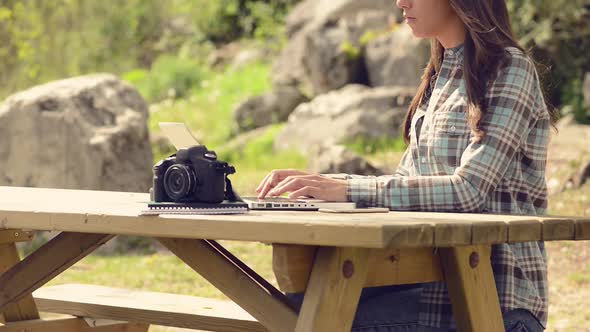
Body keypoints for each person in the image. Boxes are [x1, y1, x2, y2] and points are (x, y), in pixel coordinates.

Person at [256, 0, 558, 331]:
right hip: (422, 286)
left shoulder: (509, 68)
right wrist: (323, 184)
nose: (401, 2)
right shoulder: (439, 74)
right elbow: (407, 183)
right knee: (288, 305)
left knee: (304, 318)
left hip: (493, 302)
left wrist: (343, 189)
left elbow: (469, 190)